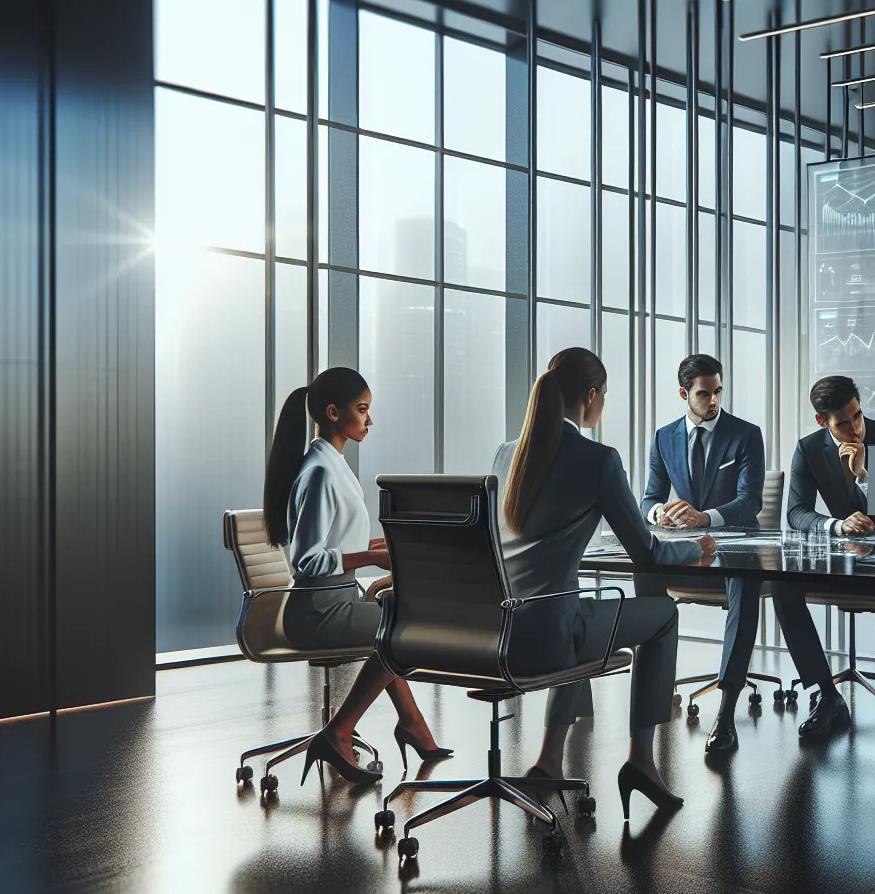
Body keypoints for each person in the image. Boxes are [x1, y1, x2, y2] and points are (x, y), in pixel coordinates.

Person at [492, 347, 712, 820]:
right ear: (590, 397)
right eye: (605, 396)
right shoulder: (598, 459)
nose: (604, 404)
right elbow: (648, 553)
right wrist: (696, 549)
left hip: (496, 629)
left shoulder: (507, 453)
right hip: (547, 633)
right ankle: (641, 762)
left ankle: (550, 760)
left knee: (587, 612)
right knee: (662, 616)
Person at [261, 367, 449, 786]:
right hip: (317, 610)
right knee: (405, 630)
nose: (369, 420)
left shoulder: (332, 464)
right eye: (362, 410)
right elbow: (307, 560)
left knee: (399, 618)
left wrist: (387, 546)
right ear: (333, 412)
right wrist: (369, 557)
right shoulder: (321, 471)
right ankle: (339, 732)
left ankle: (413, 724)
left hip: (337, 599)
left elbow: (339, 541)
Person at [639, 354, 769, 755]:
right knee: (646, 571)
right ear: (684, 394)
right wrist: (659, 512)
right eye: (703, 393)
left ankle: (727, 709)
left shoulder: (746, 435)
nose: (713, 400)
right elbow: (649, 498)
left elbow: (750, 502)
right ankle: (654, 693)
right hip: (693, 551)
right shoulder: (664, 437)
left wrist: (705, 518)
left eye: (717, 392)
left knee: (744, 584)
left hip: (736, 543)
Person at [772, 375, 875, 741]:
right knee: (782, 586)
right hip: (842, 556)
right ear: (823, 422)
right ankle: (828, 694)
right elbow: (796, 513)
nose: (855, 428)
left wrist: (864, 476)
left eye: (858, 416)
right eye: (843, 423)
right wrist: (836, 525)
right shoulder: (808, 449)